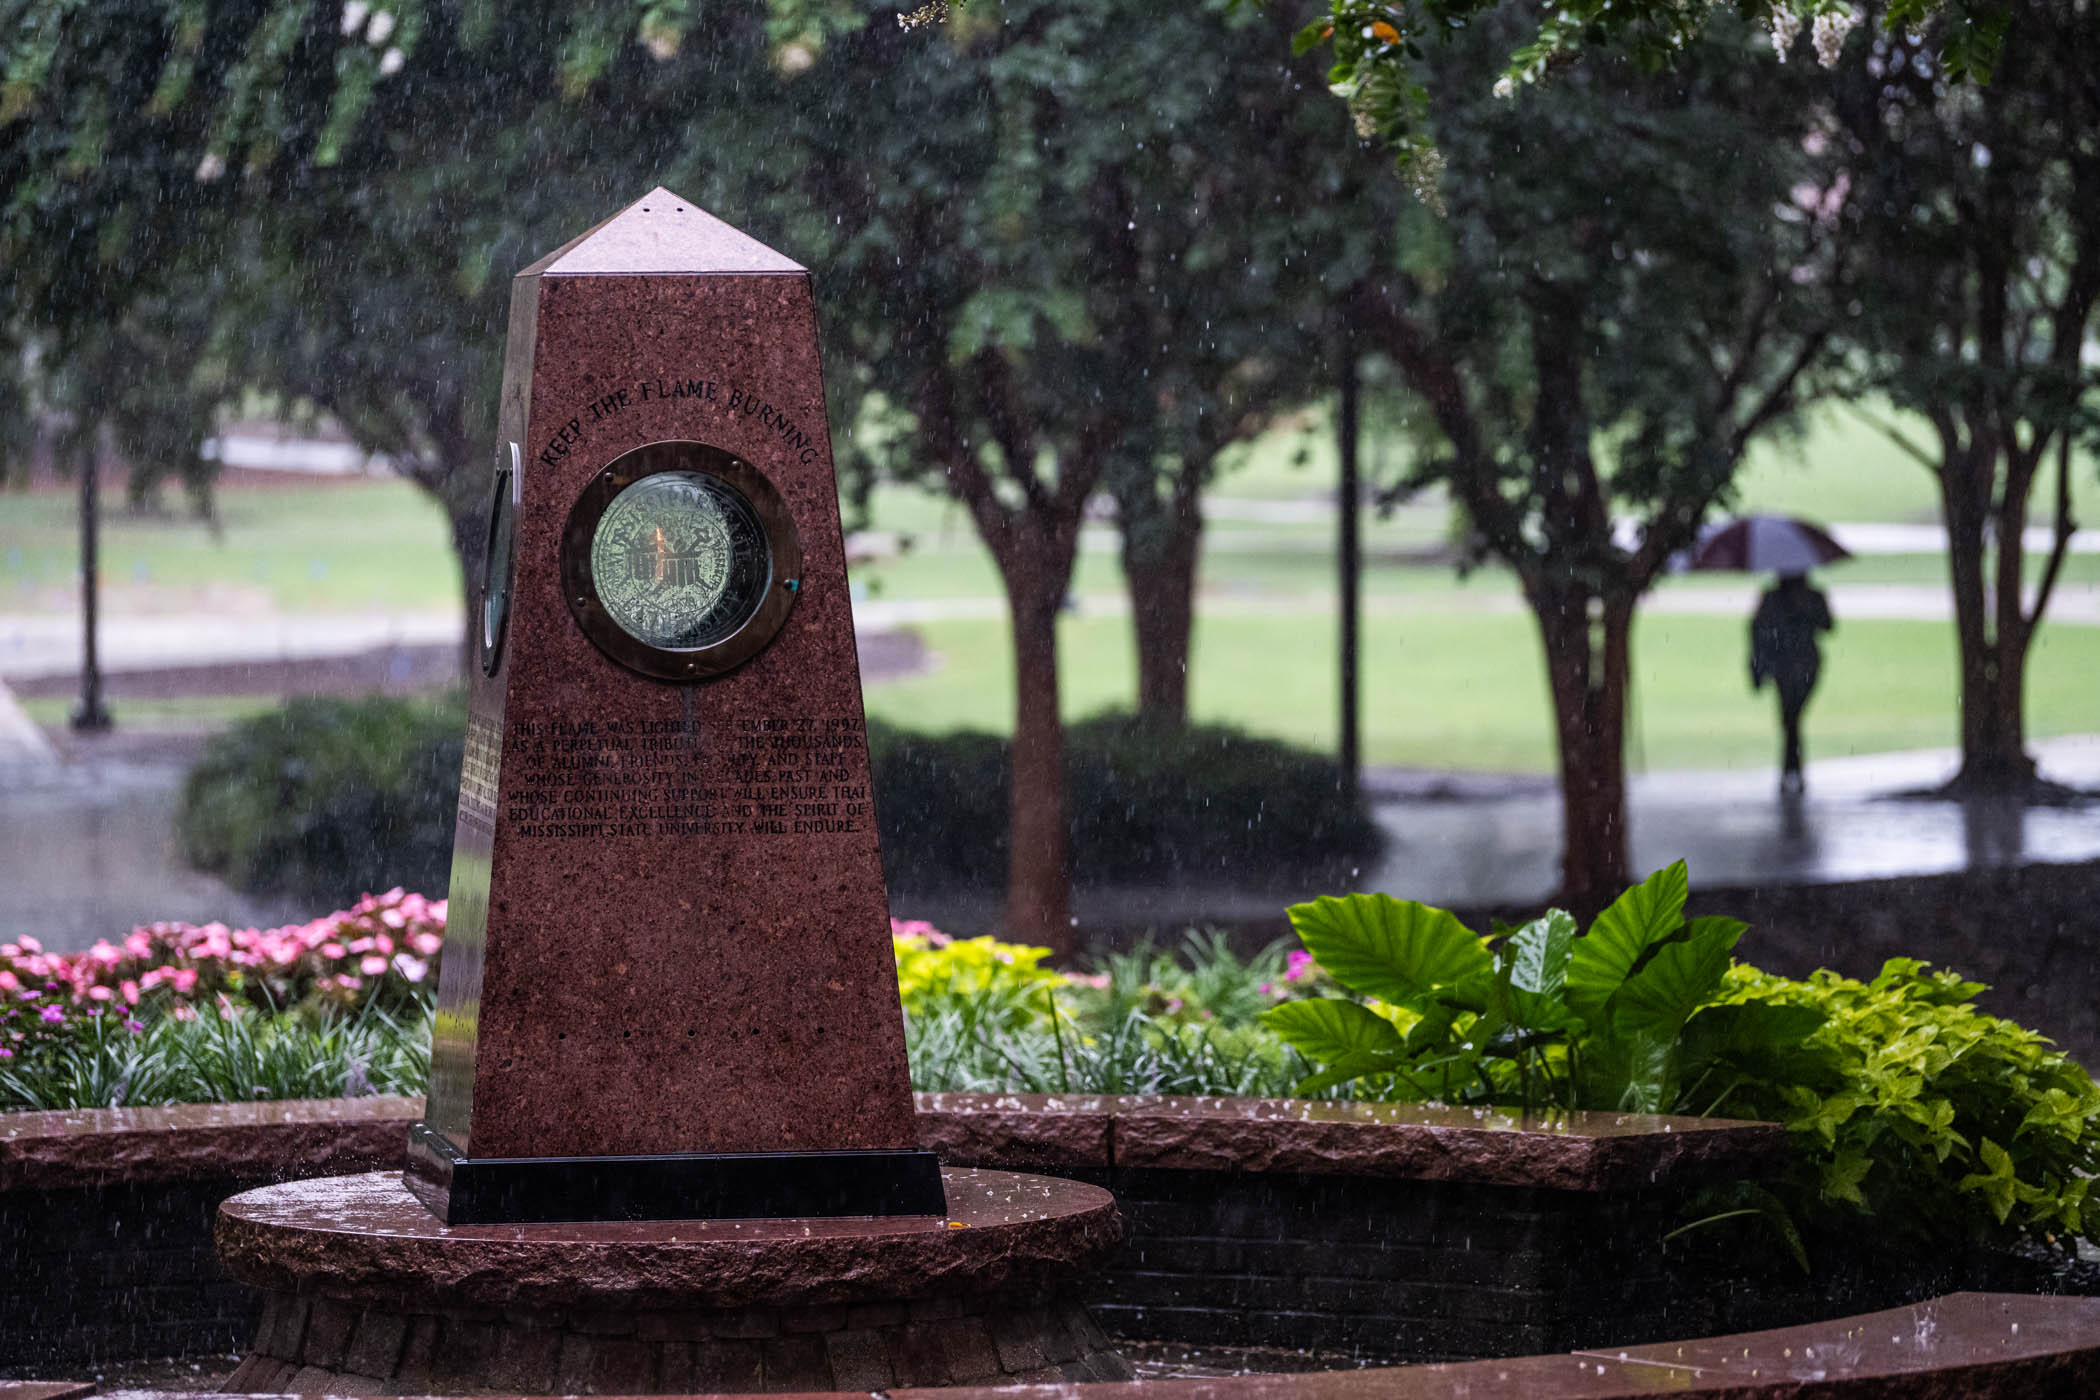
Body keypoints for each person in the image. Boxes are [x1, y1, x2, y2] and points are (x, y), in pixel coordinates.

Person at [1750, 572, 1834, 792]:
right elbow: (1758, 631)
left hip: (1803, 666)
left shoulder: (1810, 597)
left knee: (1791, 718)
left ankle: (1791, 771)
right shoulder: (1772, 598)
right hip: (1785, 667)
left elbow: (1828, 625)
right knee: (1791, 719)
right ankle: (1792, 771)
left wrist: (1804, 608)